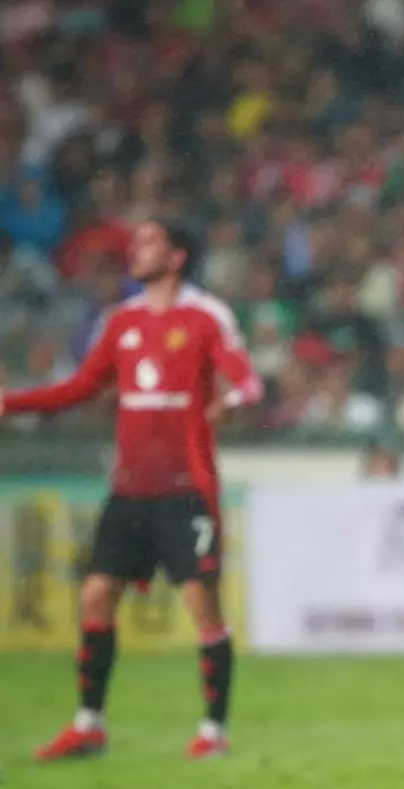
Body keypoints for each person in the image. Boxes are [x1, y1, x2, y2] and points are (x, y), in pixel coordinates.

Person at [0, 219, 262, 761]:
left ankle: (214, 731)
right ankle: (89, 724)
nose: (136, 251)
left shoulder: (207, 316)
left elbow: (246, 378)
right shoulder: (121, 321)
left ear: (177, 256)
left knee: (202, 604)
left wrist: (234, 401)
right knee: (96, 596)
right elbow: (80, 387)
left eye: (148, 243)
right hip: (130, 489)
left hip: (187, 489)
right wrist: (11, 403)